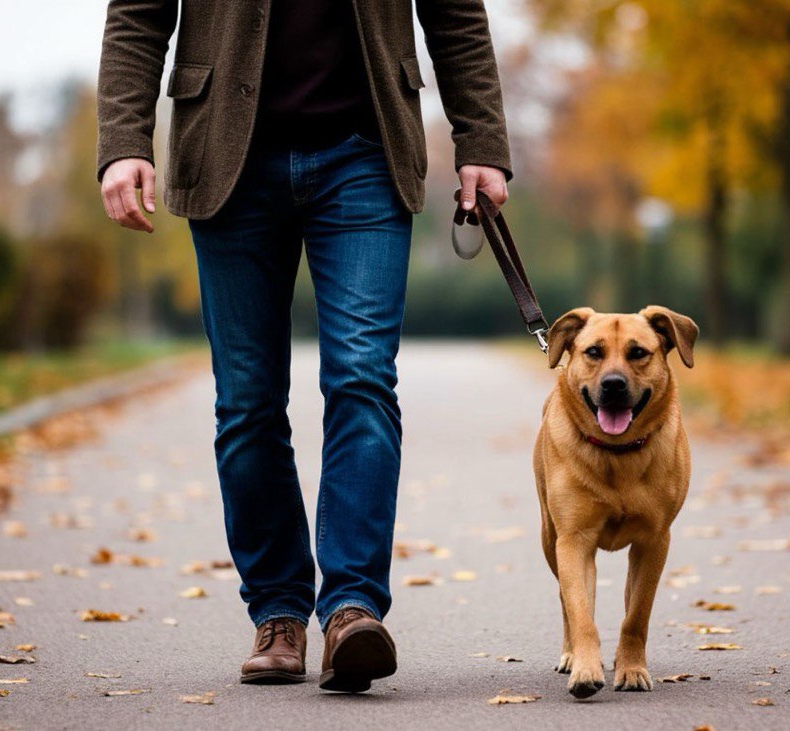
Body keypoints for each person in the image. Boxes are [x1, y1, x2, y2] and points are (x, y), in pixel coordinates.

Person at [96, 0, 511, 693]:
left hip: (367, 150)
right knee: (248, 401)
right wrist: (124, 141)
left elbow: (456, 13)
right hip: (227, 154)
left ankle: (351, 608)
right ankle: (279, 612)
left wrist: (483, 144)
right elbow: (137, 16)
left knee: (363, 378)